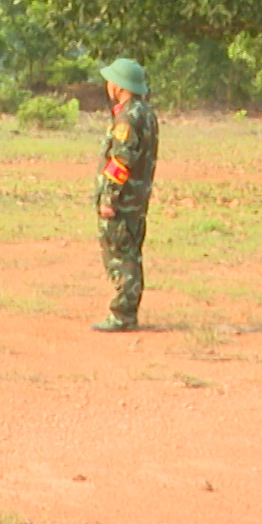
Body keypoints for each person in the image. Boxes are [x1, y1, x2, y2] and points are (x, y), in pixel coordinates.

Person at [92, 58, 159, 333]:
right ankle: (127, 311)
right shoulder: (146, 114)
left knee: (121, 256)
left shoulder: (128, 118)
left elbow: (121, 161)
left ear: (119, 86)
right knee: (131, 252)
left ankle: (123, 315)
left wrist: (109, 199)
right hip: (137, 199)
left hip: (123, 201)